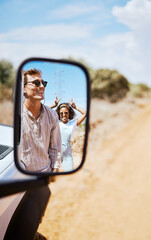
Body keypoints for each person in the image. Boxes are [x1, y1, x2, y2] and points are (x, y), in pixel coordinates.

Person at [21, 68, 61, 173]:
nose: (42, 86)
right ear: (23, 88)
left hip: (43, 175)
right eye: (36, 83)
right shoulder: (15, 114)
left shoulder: (52, 115)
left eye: (44, 83)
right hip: (17, 178)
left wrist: (55, 169)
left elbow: (55, 146)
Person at [55, 98, 87, 171]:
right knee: (53, 173)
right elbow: (42, 113)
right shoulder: (56, 122)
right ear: (58, 114)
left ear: (69, 113)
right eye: (61, 113)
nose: (64, 115)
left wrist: (75, 107)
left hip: (67, 151)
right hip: (55, 151)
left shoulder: (72, 123)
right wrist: (54, 105)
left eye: (66, 113)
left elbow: (85, 113)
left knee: (69, 171)